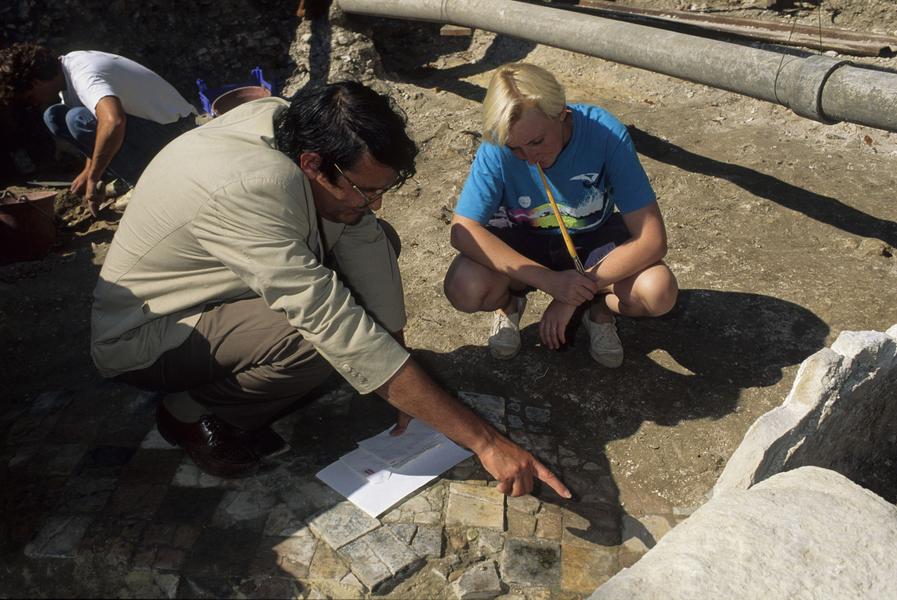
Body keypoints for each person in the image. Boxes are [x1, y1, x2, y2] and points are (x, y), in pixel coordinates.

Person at [90, 80, 569, 499]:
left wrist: (396, 352)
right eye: (367, 189)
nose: (375, 201)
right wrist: (485, 442)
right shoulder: (249, 188)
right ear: (314, 164)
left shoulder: (291, 122)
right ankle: (187, 412)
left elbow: (364, 240)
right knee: (320, 340)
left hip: (218, 291)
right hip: (149, 333)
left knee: (376, 240)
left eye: (384, 189)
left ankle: (228, 374)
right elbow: (334, 325)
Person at [444, 62, 678, 366]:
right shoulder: (496, 142)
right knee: (464, 288)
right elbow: (462, 229)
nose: (529, 159)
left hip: (592, 242)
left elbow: (652, 239)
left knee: (658, 291)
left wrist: (577, 291)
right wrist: (546, 280)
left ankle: (598, 311)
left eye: (537, 142)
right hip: (521, 243)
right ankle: (509, 304)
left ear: (562, 113)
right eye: (515, 149)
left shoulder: (604, 132)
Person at [0, 43, 196, 216]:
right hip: (156, 129)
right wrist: (87, 171)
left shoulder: (84, 75)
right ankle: (132, 175)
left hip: (178, 133)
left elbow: (113, 122)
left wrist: (94, 176)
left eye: (29, 96)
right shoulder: (66, 72)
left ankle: (144, 183)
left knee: (76, 119)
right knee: (54, 116)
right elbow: (98, 126)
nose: (34, 102)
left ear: (36, 83)